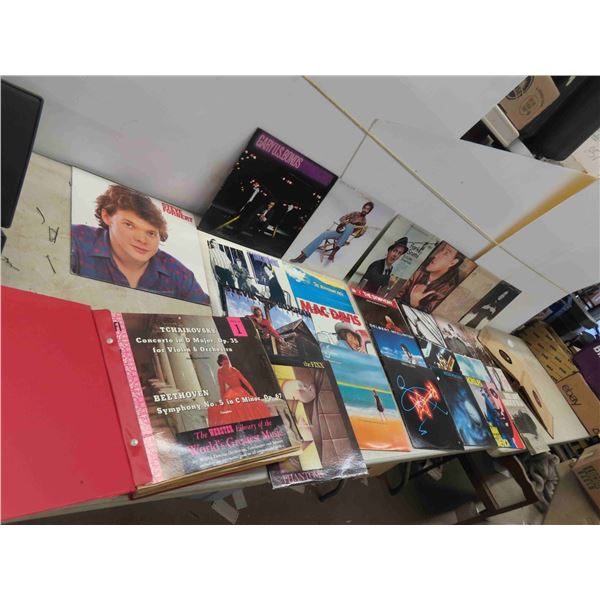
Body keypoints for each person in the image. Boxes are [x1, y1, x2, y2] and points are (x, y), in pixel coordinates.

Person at [71, 184, 209, 304]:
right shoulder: (76, 240)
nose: (142, 240)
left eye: (151, 233)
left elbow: (207, 315)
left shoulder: (180, 275)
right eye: (129, 225)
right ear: (106, 216)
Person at [289, 202, 374, 263]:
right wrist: (345, 223)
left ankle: (334, 250)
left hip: (345, 238)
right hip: (340, 233)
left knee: (351, 227)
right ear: (362, 207)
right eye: (364, 208)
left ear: (369, 211)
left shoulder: (364, 222)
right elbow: (342, 218)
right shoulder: (355, 213)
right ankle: (302, 256)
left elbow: (356, 235)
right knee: (323, 235)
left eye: (367, 209)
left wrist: (362, 232)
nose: (365, 210)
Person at [395, 242, 467, 313]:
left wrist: (415, 302)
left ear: (452, 263)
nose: (436, 255)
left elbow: (430, 313)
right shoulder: (420, 268)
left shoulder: (448, 288)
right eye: (441, 250)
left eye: (445, 253)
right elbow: (398, 292)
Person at [208, 354, 271, 426]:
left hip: (239, 390)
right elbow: (222, 387)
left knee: (239, 401)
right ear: (221, 363)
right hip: (231, 391)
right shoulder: (220, 372)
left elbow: (245, 382)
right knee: (229, 400)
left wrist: (254, 394)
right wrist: (222, 401)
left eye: (227, 361)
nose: (227, 363)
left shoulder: (234, 370)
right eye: (225, 362)